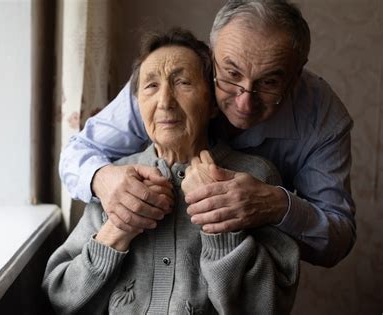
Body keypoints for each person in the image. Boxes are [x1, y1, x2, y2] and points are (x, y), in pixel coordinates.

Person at [60, 0, 356, 268]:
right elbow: (76, 153)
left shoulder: (323, 117)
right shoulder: (165, 86)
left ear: (296, 73)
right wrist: (102, 179)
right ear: (211, 56)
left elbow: (337, 240)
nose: (245, 103)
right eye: (231, 74)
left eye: (269, 83)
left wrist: (274, 205)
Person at [44, 28, 299, 314]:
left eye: (183, 82)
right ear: (138, 104)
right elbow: (61, 299)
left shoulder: (257, 177)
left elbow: (271, 307)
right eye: (151, 86)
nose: (165, 101)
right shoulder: (115, 181)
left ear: (212, 103)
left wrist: (220, 227)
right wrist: (116, 230)